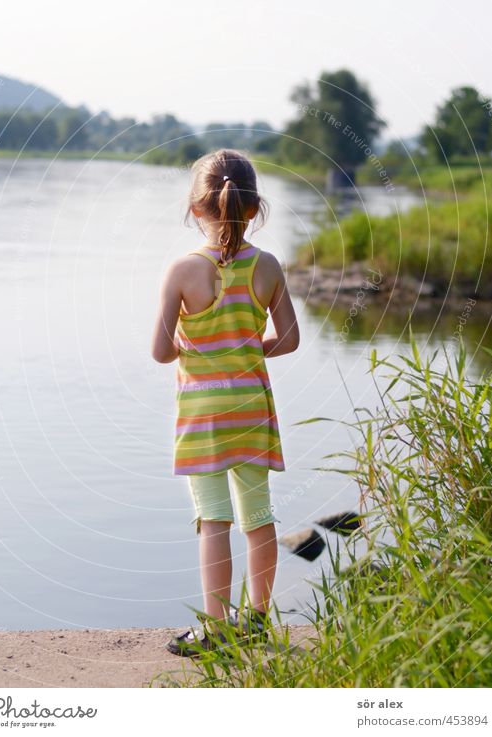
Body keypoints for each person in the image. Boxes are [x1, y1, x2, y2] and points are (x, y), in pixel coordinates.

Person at [151, 149, 299, 656]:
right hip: (252, 409)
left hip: (202, 415)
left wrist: (188, 347)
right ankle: (256, 620)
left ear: (197, 209)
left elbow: (159, 351)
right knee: (258, 517)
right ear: (254, 208)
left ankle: (214, 629)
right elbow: (291, 339)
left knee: (213, 520)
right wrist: (249, 347)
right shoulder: (268, 266)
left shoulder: (182, 271)